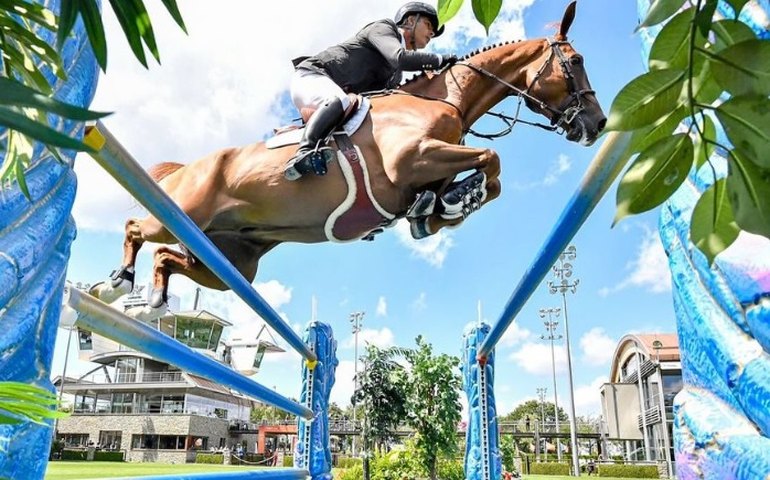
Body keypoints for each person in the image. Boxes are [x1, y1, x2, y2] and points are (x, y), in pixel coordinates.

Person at [284, 2, 458, 180]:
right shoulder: (384, 28)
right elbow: (399, 57)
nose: (431, 34)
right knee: (341, 100)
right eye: (429, 26)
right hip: (312, 76)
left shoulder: (395, 75)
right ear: (411, 20)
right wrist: (439, 59)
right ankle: (304, 151)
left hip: (337, 99)